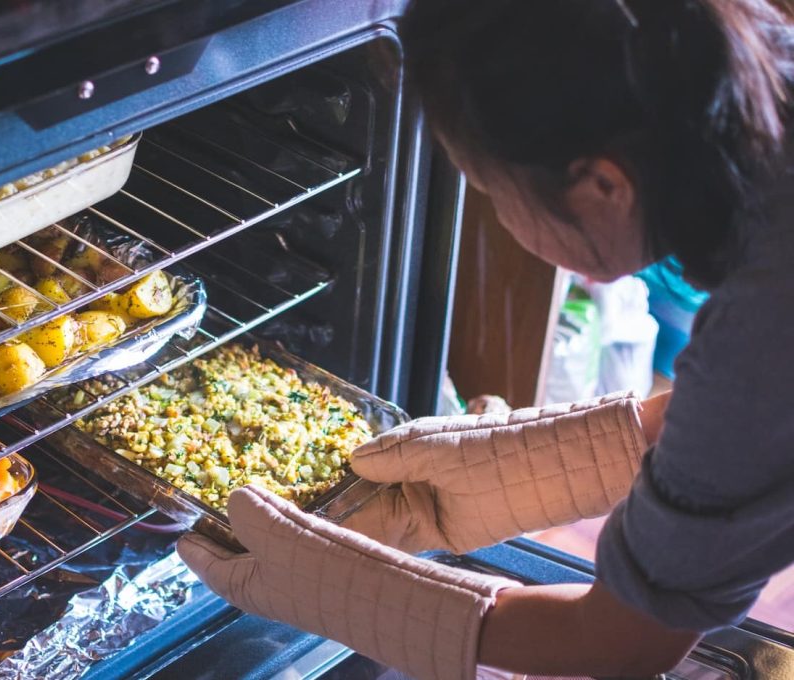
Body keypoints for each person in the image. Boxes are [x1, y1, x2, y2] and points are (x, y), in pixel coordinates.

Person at [177, 1, 794, 678]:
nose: (500, 216)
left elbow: (621, 643)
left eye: (492, 190)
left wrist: (352, 595)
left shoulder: (763, 325)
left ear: (604, 185)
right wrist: (538, 466)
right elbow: (751, 428)